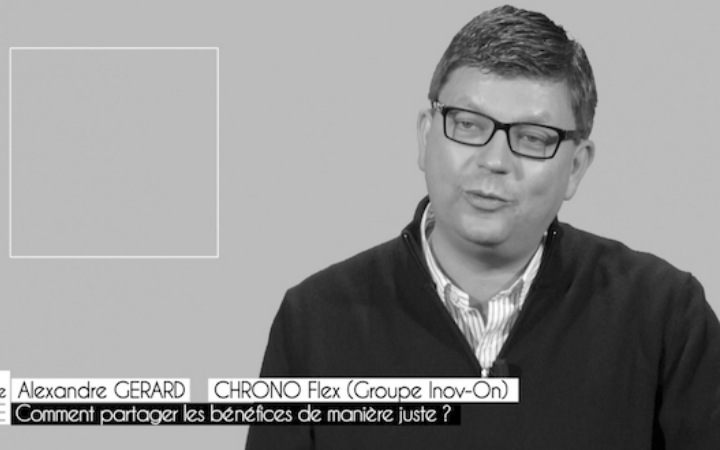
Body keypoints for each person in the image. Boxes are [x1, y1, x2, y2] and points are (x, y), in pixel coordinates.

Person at [246, 5, 720, 449]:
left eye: (532, 138)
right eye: (469, 125)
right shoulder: (315, 321)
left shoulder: (665, 316)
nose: (495, 161)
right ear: (425, 135)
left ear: (576, 167)